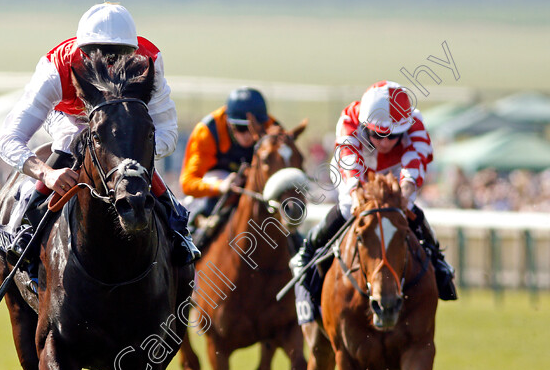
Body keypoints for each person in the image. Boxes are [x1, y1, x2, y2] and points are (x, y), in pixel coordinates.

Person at [0, 2, 200, 274]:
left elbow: (167, 132)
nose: (109, 63)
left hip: (123, 120)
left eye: (120, 55)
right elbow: (8, 138)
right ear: (82, 52)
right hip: (69, 117)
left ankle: (177, 228)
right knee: (71, 138)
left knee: (133, 153)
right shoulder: (55, 67)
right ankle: (23, 228)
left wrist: (133, 155)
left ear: (134, 51)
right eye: (100, 54)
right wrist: (46, 174)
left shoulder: (149, 61)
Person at [289, 80, 457, 301]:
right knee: (349, 207)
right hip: (355, 170)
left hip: (394, 172)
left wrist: (404, 192)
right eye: (377, 135)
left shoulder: (415, 122)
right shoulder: (350, 119)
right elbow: (349, 162)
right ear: (365, 125)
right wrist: (356, 192)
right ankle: (307, 252)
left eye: (394, 136)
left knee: (408, 207)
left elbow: (415, 161)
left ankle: (437, 259)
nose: (385, 142)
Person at [179, 87, 276, 246]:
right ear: (229, 124)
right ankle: (190, 249)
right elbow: (188, 183)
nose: (249, 135)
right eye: (241, 128)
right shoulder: (207, 131)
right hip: (218, 189)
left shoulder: (272, 127)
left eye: (254, 128)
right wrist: (220, 187)